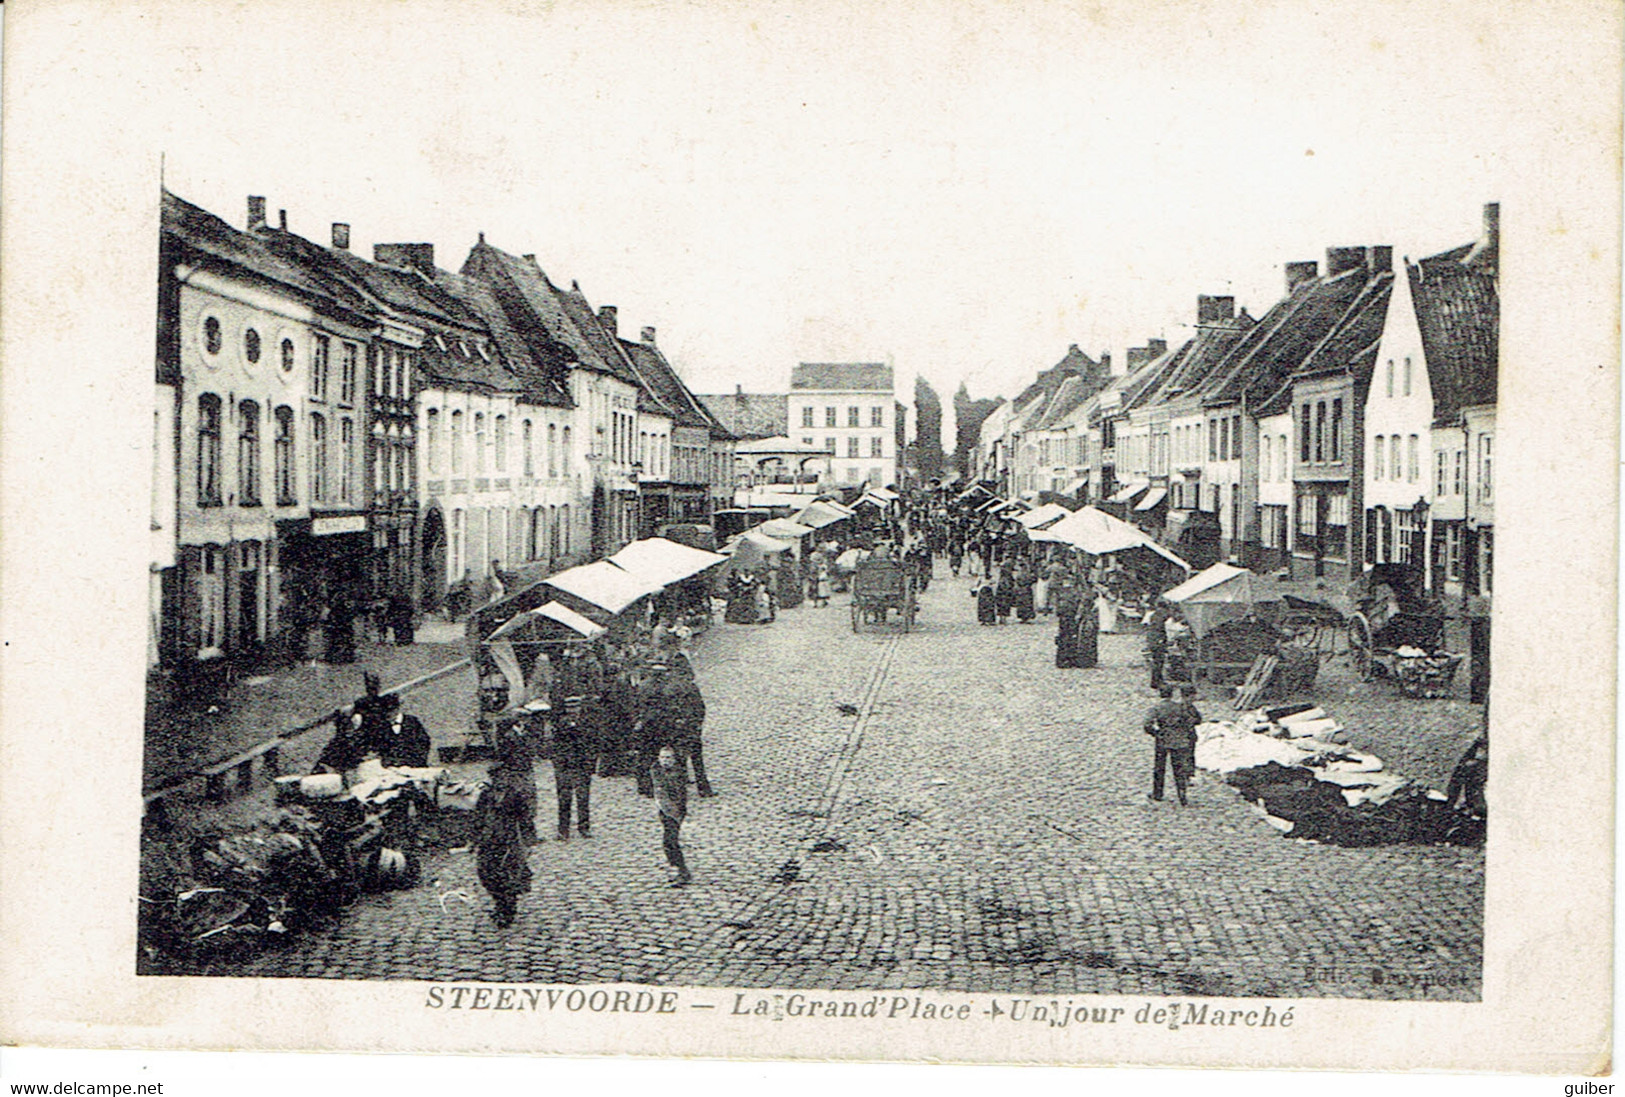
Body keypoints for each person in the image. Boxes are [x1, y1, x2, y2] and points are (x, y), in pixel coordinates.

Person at [474, 734, 537, 927]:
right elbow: (478, 818)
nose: (499, 780)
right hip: (489, 840)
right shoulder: (485, 795)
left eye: (502, 776)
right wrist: (474, 838)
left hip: (509, 841)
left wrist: (528, 841)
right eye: (495, 777)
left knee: (508, 876)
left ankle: (507, 910)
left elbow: (525, 819)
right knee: (486, 874)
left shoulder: (515, 796)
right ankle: (499, 903)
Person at [1144, 685, 1202, 806]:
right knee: (1179, 769)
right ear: (1172, 694)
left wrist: (1157, 733)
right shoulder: (1180, 707)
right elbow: (1194, 720)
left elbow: (1147, 725)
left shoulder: (1156, 708)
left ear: (1160, 694)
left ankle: (1158, 793)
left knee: (1159, 768)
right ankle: (1182, 795)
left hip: (1163, 740)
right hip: (1179, 741)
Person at [550, 696, 599, 839]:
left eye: (575, 707)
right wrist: (558, 764)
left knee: (583, 798)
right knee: (564, 798)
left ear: (580, 708)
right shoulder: (560, 724)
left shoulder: (588, 723)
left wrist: (591, 765)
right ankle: (563, 829)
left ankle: (584, 827)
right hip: (565, 767)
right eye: (569, 708)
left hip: (581, 766)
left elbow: (593, 744)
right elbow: (555, 747)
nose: (572, 711)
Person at [652, 745, 693, 887]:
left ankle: (681, 871)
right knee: (668, 842)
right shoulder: (656, 770)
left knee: (670, 842)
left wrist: (675, 813)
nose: (665, 760)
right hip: (663, 810)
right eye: (663, 757)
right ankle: (677, 869)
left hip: (674, 811)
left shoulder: (677, 774)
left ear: (674, 759)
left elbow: (679, 796)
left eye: (668, 758)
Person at [378, 704, 432, 768]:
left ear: (396, 710)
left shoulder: (413, 723)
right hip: (391, 767)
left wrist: (414, 761)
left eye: (389, 713)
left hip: (414, 765)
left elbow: (424, 744)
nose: (387, 716)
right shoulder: (382, 726)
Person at [1145, 601, 1171, 691]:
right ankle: (1156, 680)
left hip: (1153, 639)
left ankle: (1156, 679)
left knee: (1157, 661)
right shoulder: (1162, 615)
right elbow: (1160, 627)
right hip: (1158, 639)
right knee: (1159, 661)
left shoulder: (1153, 615)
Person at [1075, 586, 1100, 668]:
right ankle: (1090, 659)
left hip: (1086, 623)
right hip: (1091, 623)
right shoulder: (1096, 606)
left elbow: (1079, 615)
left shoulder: (1084, 605)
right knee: (1090, 641)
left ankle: (1084, 660)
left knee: (1084, 641)